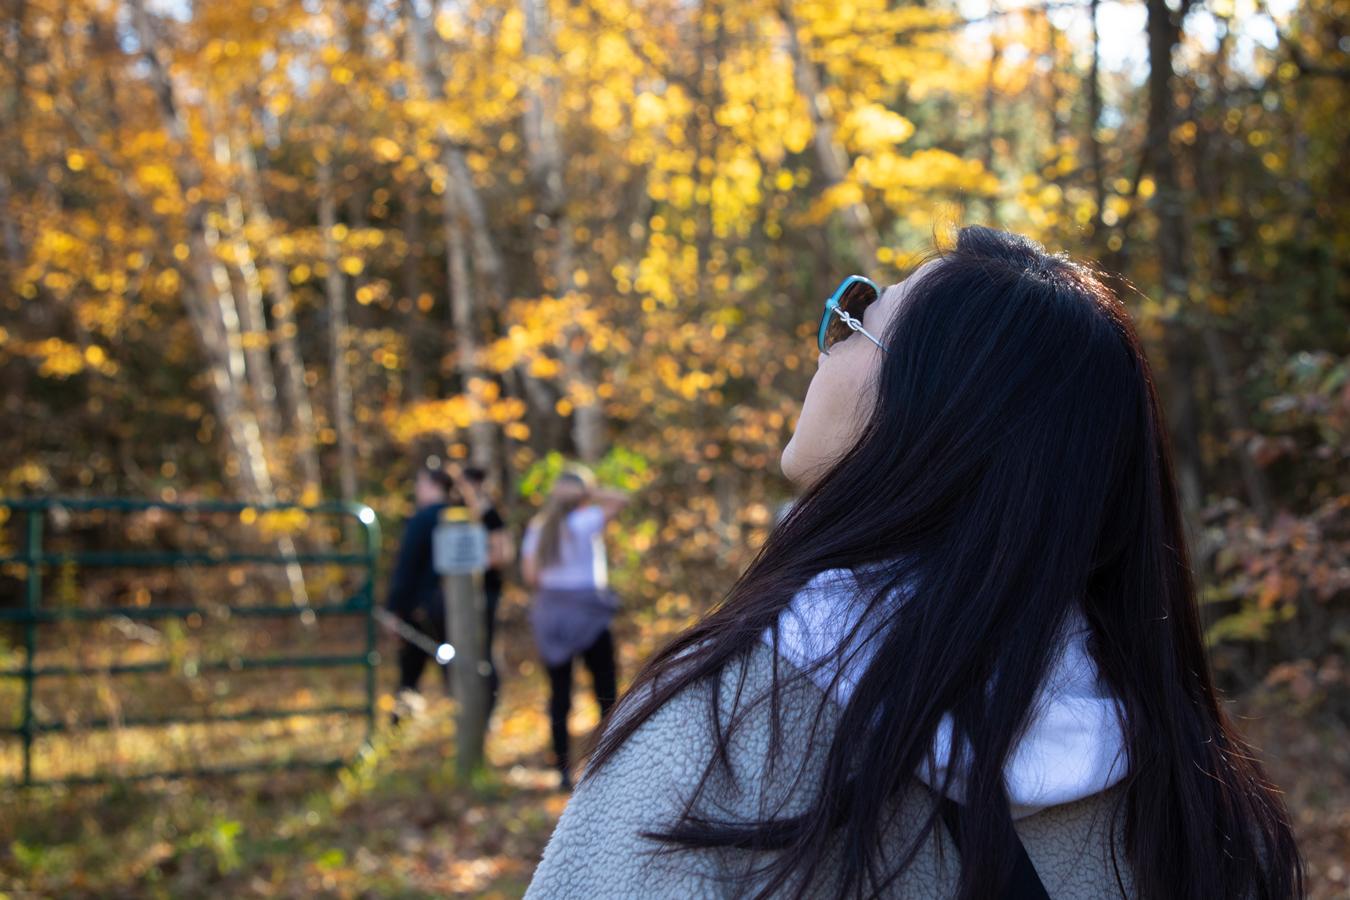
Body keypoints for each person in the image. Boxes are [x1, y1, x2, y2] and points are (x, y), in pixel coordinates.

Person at [524, 227, 1302, 899]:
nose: (828, 338)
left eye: (859, 316)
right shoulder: (1212, 806)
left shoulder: (719, 730)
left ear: (937, 414)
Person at [520, 470, 630, 789]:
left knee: (559, 694)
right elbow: (622, 499)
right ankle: (610, 762)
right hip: (589, 615)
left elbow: (531, 577)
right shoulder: (584, 522)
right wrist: (589, 492)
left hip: (552, 614)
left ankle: (563, 771)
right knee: (605, 691)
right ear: (578, 497)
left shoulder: (538, 529)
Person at [385, 465, 456, 703]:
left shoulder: (421, 519)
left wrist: (394, 609)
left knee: (409, 674)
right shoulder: (461, 515)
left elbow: (406, 567)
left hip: (421, 609)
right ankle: (465, 718)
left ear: (434, 486)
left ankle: (399, 725)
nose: (417, 490)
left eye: (420, 483)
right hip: (455, 608)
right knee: (455, 673)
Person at [458, 465, 514, 717]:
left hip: (488, 592)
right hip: (465, 596)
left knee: (487, 649)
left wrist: (474, 560)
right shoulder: (462, 514)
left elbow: (503, 553)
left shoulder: (490, 515)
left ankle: (489, 709)